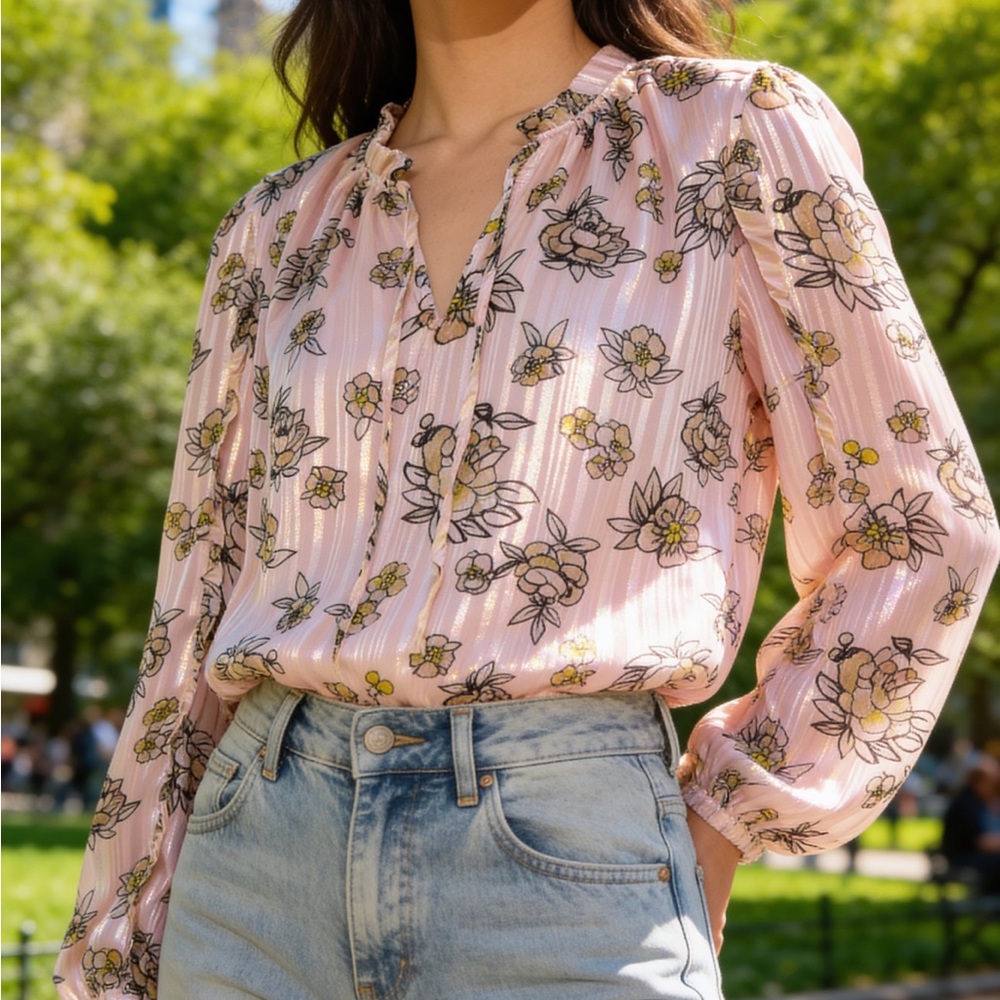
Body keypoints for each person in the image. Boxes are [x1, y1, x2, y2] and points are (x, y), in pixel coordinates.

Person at [55, 1, 1000, 997]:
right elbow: (191, 611)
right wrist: (115, 947)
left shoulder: (729, 137)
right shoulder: (280, 225)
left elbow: (920, 521)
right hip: (251, 866)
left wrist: (728, 817)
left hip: (568, 866)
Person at [941, 755, 1000, 894]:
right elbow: (983, 842)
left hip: (972, 857)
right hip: (962, 859)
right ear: (979, 782)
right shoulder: (967, 804)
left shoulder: (979, 802)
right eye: (994, 784)